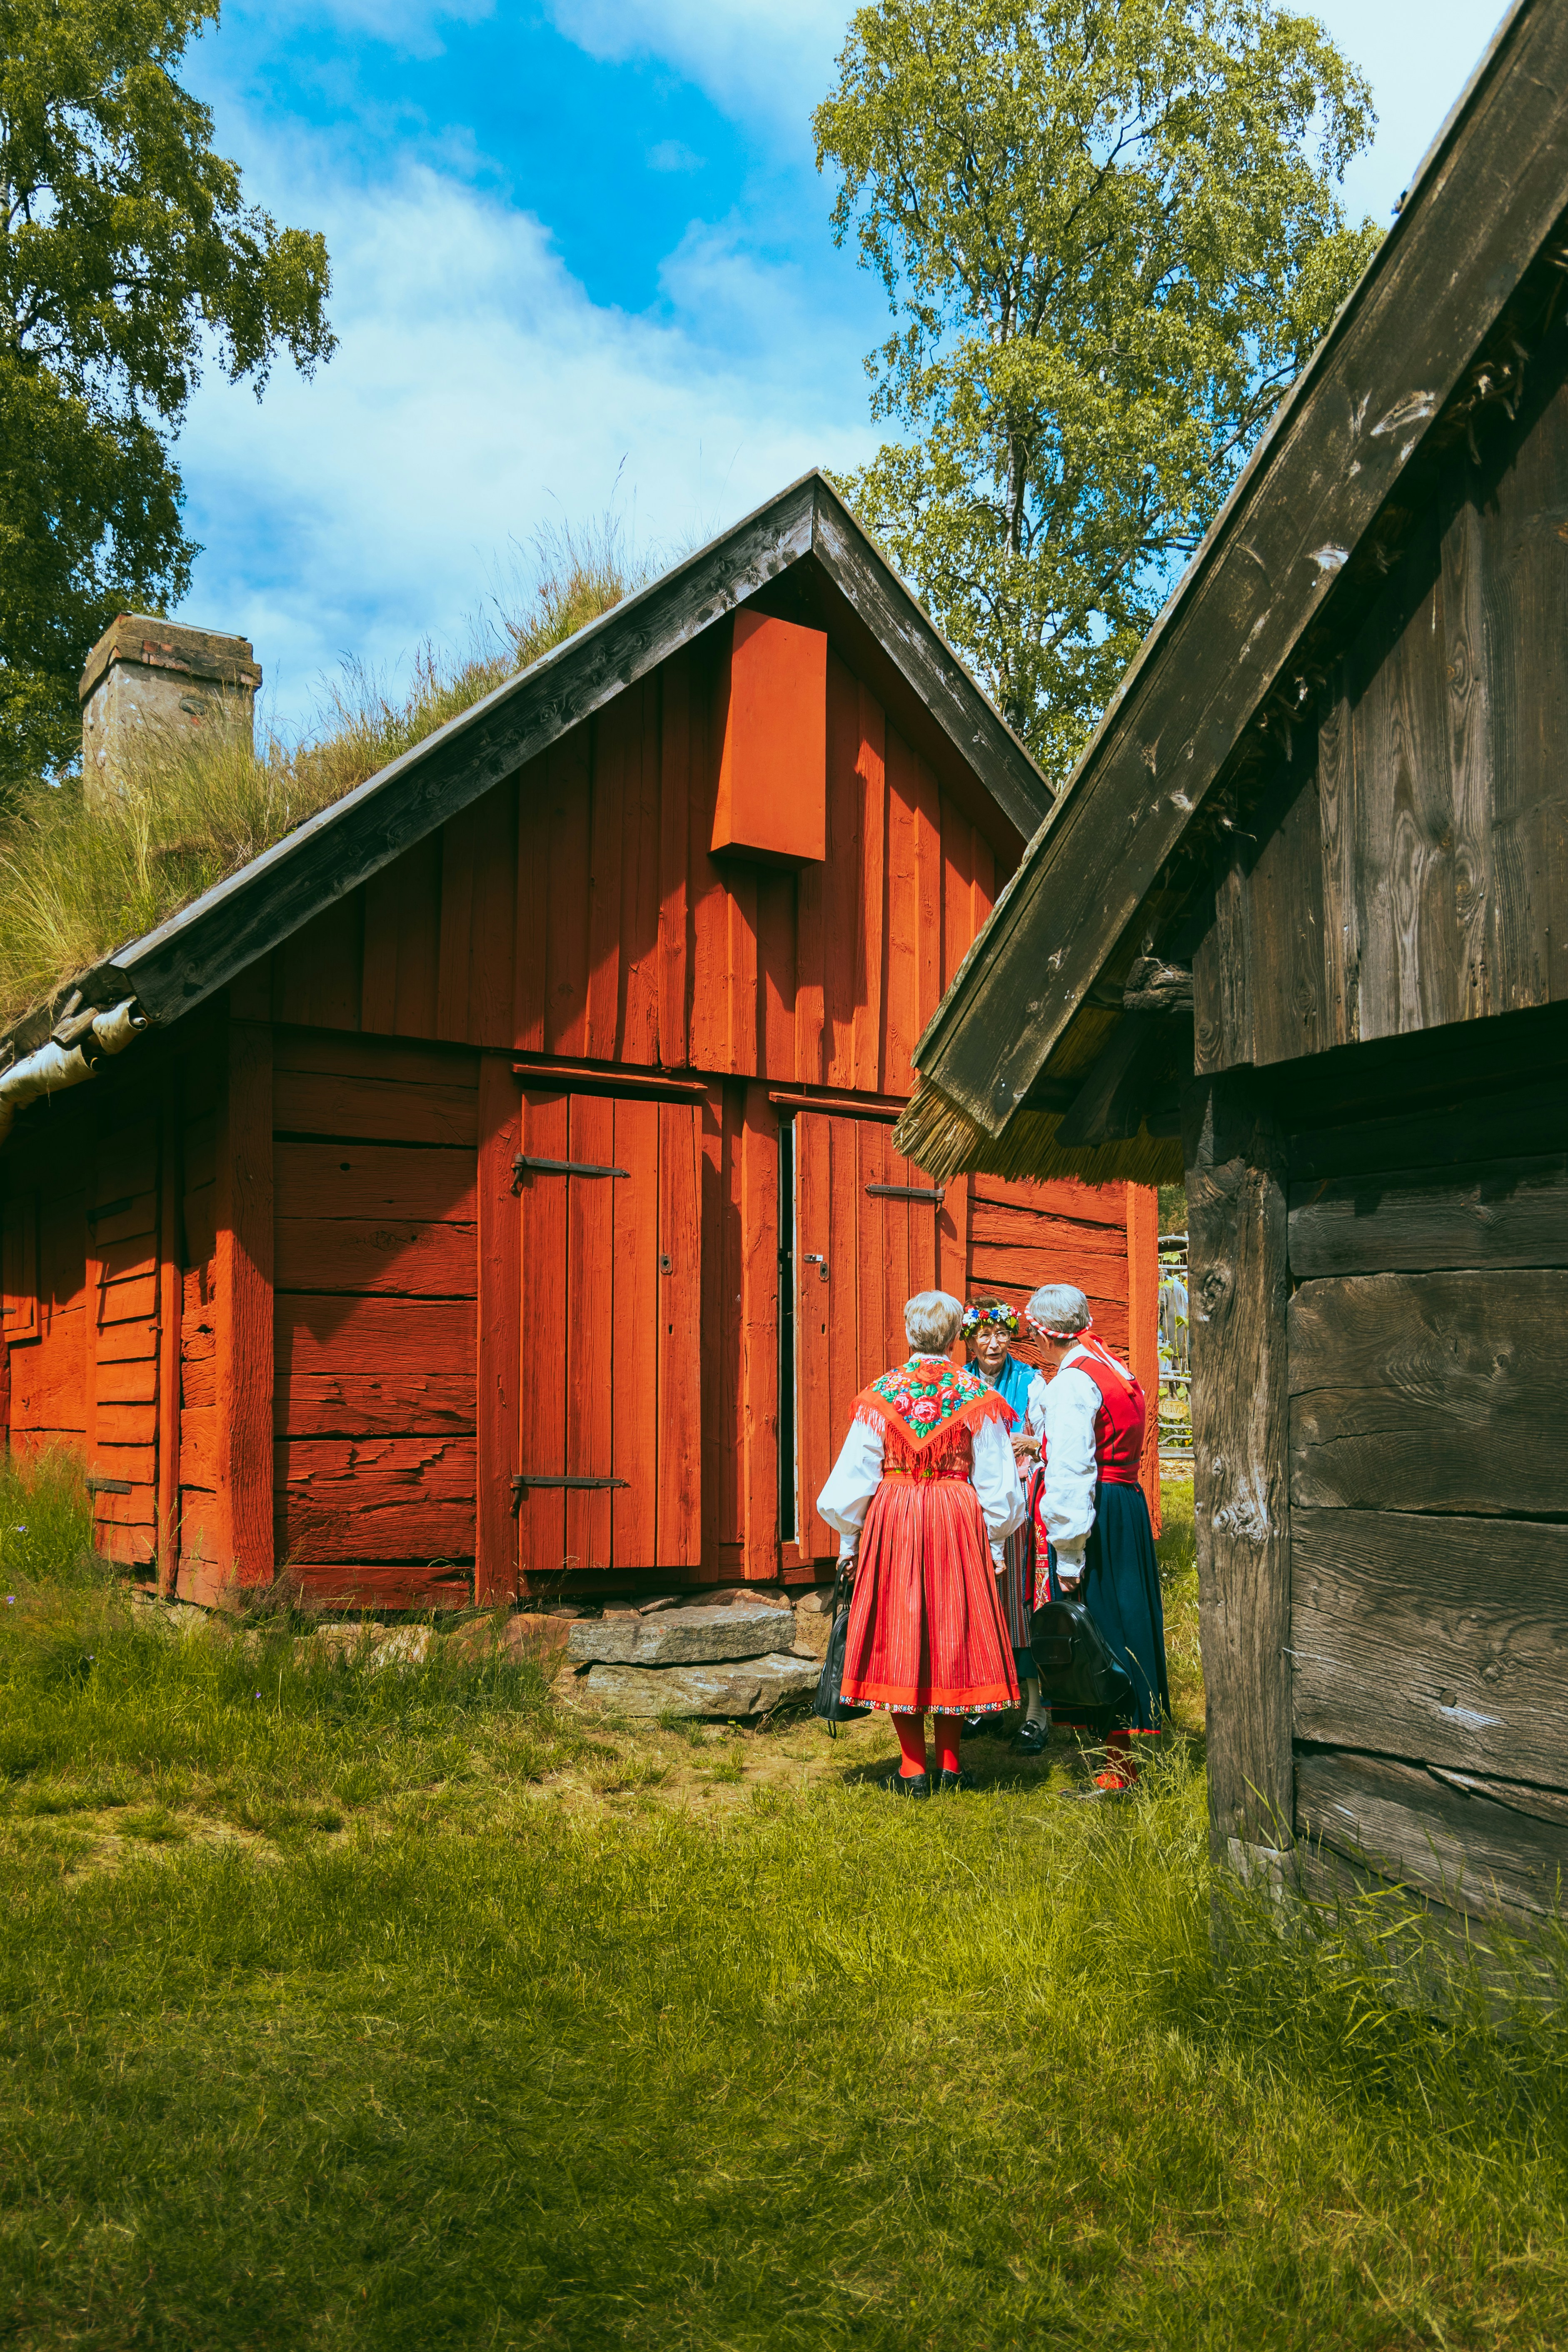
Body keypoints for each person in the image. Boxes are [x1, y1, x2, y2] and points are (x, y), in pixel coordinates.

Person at [816, 1288, 1026, 1797]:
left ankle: (912, 1770)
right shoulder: (975, 1397)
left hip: (896, 1513)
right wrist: (995, 1544)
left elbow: (852, 1480)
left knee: (900, 1628)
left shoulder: (881, 1395)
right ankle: (951, 1765)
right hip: (955, 1513)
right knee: (952, 1626)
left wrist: (849, 1542)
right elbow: (999, 1484)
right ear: (958, 1337)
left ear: (909, 1334)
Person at [1026, 1282, 1169, 1791]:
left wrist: (1067, 1555)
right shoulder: (1111, 1366)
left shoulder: (1070, 1384)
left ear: (1044, 1337)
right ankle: (1118, 1758)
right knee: (1122, 1623)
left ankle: (1117, 1770)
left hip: (1096, 1510)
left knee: (1098, 1630)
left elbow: (1069, 1470)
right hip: (1124, 1503)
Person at [961, 1300, 1053, 1755]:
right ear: (970, 1340)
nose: (992, 1343)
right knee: (978, 1603)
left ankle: (1036, 1708)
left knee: (1019, 1604)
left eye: (1000, 1334)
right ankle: (988, 1701)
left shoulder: (1030, 1382)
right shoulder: (959, 1383)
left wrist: (1030, 1441)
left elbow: (1049, 1437)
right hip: (969, 1508)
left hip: (1015, 1511)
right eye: (983, 1335)